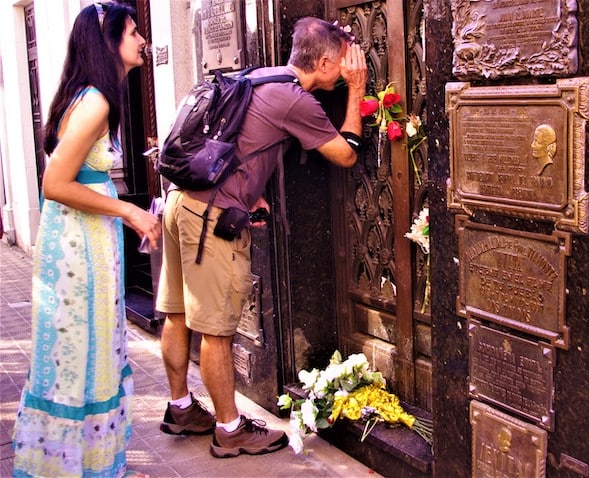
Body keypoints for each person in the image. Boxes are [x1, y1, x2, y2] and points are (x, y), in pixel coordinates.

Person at [156, 17, 367, 458]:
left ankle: (180, 408)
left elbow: (241, 139)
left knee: (176, 313)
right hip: (210, 219)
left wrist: (248, 191)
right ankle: (230, 430)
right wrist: (358, 89)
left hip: (181, 202)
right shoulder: (295, 100)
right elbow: (345, 154)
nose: (347, 65)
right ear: (325, 62)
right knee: (217, 331)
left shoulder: (258, 77)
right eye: (342, 59)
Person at [12, 3, 160, 477]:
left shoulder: (90, 95)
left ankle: (82, 465)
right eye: (134, 32)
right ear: (108, 41)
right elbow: (55, 184)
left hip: (81, 242)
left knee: (79, 353)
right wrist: (130, 209)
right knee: (81, 353)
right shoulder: (96, 100)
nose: (142, 40)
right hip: (79, 249)